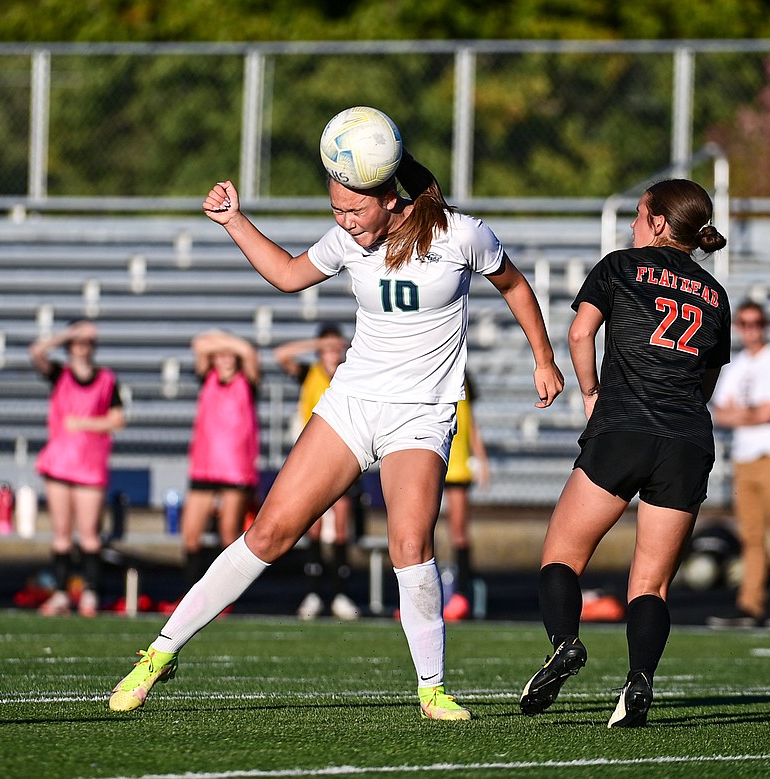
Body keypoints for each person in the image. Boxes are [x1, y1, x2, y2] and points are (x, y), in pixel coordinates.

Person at [109, 109, 565, 721]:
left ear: (389, 197)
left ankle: (432, 690)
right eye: (336, 211)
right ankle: (156, 657)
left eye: (355, 211)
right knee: (268, 534)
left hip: (421, 415)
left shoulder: (461, 235)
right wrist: (233, 222)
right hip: (351, 404)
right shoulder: (346, 241)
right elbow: (288, 275)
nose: (346, 222)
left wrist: (543, 358)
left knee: (410, 544)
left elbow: (513, 286)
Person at [519, 178, 730, 728]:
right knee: (651, 584)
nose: (633, 225)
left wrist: (592, 394)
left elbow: (579, 334)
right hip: (687, 439)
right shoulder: (716, 295)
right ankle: (639, 681)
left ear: (659, 221)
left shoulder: (619, 265)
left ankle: (566, 643)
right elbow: (705, 380)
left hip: (624, 428)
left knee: (562, 556)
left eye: (639, 215)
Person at [707, 300, 770, 629]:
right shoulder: (737, 366)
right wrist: (748, 415)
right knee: (751, 537)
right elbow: (720, 412)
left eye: (757, 323)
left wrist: (740, 415)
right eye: (745, 323)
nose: (752, 329)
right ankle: (751, 603)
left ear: (766, 325)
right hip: (746, 458)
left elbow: (769, 412)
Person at [30, 319, 126, 617]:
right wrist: (69, 332)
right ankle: (60, 593)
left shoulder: (106, 379)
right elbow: (36, 353)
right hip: (59, 463)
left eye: (86, 342)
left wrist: (84, 423)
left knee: (89, 535)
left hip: (90, 465)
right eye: (77, 342)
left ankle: (90, 592)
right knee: (61, 533)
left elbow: (117, 419)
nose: (81, 347)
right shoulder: (60, 374)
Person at [162, 329, 261, 610]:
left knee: (229, 536)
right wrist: (227, 341)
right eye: (221, 354)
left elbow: (251, 354)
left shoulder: (247, 381)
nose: (227, 358)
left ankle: (224, 600)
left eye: (232, 354)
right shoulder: (208, 378)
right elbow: (198, 344)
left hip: (236, 470)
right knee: (190, 535)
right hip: (205, 467)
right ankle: (190, 600)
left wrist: (225, 341)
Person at [274, 323, 361, 621]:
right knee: (311, 525)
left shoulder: (351, 372)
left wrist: (339, 348)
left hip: (345, 454)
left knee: (339, 527)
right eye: (327, 347)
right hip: (313, 457)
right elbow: (281, 355)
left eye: (336, 347)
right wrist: (316, 343)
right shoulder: (309, 373)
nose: (332, 353)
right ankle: (312, 593)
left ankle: (338, 593)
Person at [441, 372, 489, 621]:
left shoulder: (465, 378)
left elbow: (470, 422)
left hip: (457, 465)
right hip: (432, 457)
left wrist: (481, 459)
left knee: (458, 531)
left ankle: (460, 594)